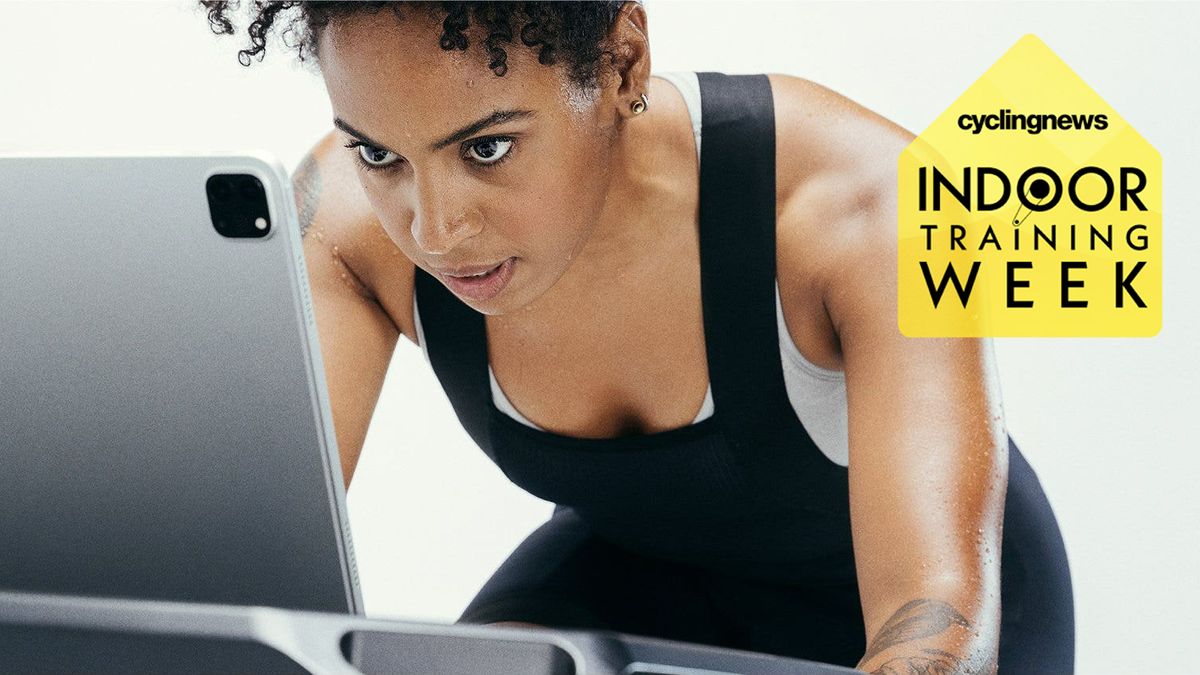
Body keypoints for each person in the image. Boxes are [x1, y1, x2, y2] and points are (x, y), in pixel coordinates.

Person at [200, 2, 1074, 672]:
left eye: (490, 149)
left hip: (928, 606)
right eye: (379, 155)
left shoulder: (865, 206)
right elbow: (235, 581)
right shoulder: (343, 231)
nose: (433, 230)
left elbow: (934, 610)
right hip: (634, 568)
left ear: (623, 62)